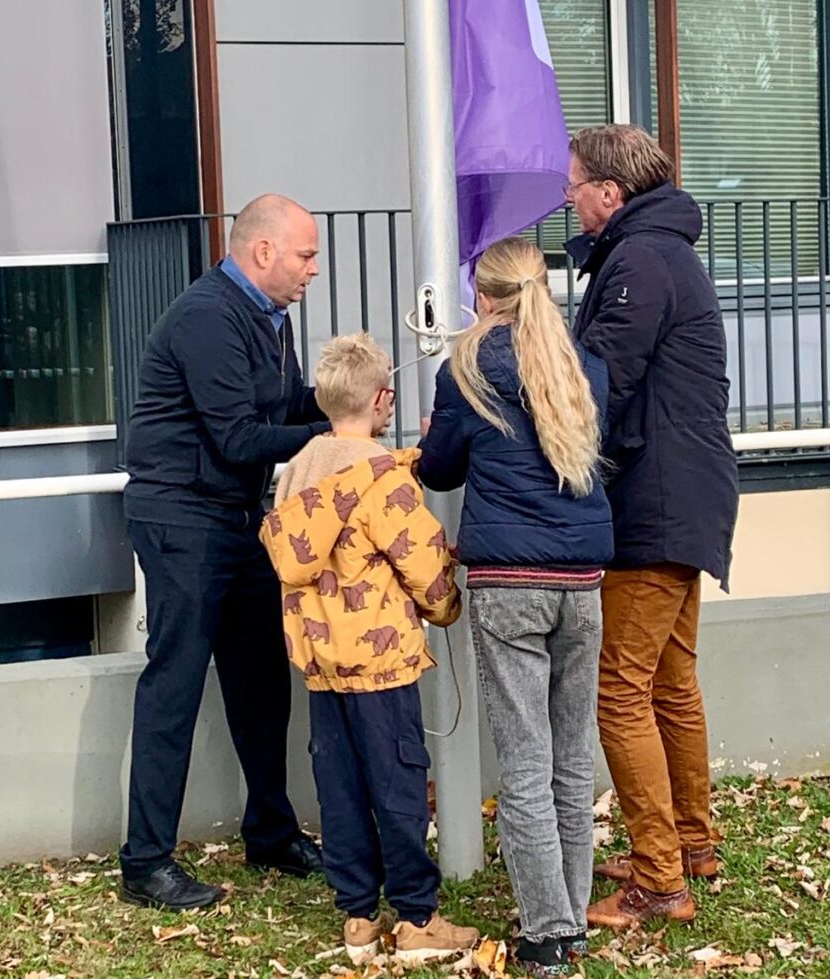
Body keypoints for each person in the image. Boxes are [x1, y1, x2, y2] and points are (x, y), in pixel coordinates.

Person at [119, 194, 331, 910]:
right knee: (175, 683)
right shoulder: (208, 317)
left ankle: (270, 831)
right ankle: (145, 860)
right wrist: (331, 435)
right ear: (262, 251)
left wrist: (345, 402)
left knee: (262, 678)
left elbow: (280, 404)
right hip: (182, 519)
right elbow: (240, 435)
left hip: (240, 519)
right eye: (305, 255)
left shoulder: (269, 318)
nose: (312, 270)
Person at [418, 238, 613, 977]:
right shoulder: (581, 362)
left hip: (508, 581)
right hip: (584, 580)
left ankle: (548, 932)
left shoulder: (466, 366)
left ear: (483, 292)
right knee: (570, 757)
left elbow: (440, 466)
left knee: (525, 764)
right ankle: (573, 914)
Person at [563, 125, 739, 929]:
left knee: (621, 690)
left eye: (575, 184)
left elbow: (601, 381)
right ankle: (690, 842)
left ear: (611, 191)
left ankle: (660, 879)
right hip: (690, 498)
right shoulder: (666, 251)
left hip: (653, 505)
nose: (567, 196)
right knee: (670, 682)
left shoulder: (637, 260)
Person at [259, 333, 479, 966]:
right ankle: (416, 917)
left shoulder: (299, 467)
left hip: (320, 662)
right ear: (383, 399)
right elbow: (423, 564)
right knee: (400, 783)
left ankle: (358, 917)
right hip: (380, 664)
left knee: (342, 787)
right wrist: (446, 605)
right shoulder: (382, 479)